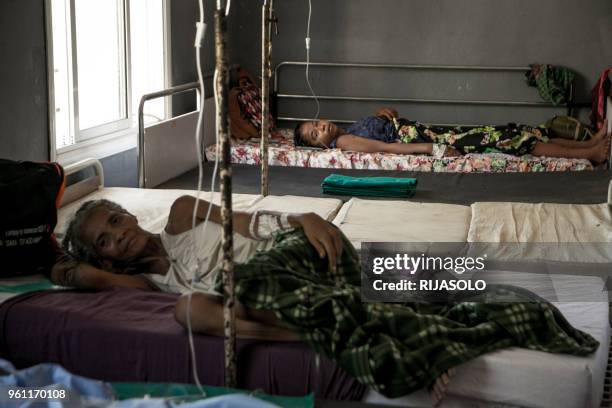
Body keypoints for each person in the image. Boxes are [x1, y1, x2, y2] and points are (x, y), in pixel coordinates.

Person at [52, 196, 598, 405]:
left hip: (292, 258)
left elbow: (249, 221)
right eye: (104, 240)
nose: (117, 234)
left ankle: (389, 322)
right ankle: (365, 329)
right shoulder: (143, 285)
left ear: (129, 214)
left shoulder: (178, 213)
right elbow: (84, 278)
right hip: (267, 299)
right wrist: (80, 266)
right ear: (110, 259)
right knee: (187, 310)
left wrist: (302, 217)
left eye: (116, 219)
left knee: (467, 277)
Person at [294, 108, 610, 164]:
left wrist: (382, 111)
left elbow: (386, 117)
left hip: (426, 130)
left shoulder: (349, 129)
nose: (320, 128)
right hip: (427, 139)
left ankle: (589, 142)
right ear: (319, 145)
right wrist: (434, 149)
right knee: (507, 139)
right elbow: (384, 147)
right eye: (313, 135)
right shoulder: (343, 142)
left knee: (513, 132)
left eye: (315, 124)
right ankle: (591, 154)